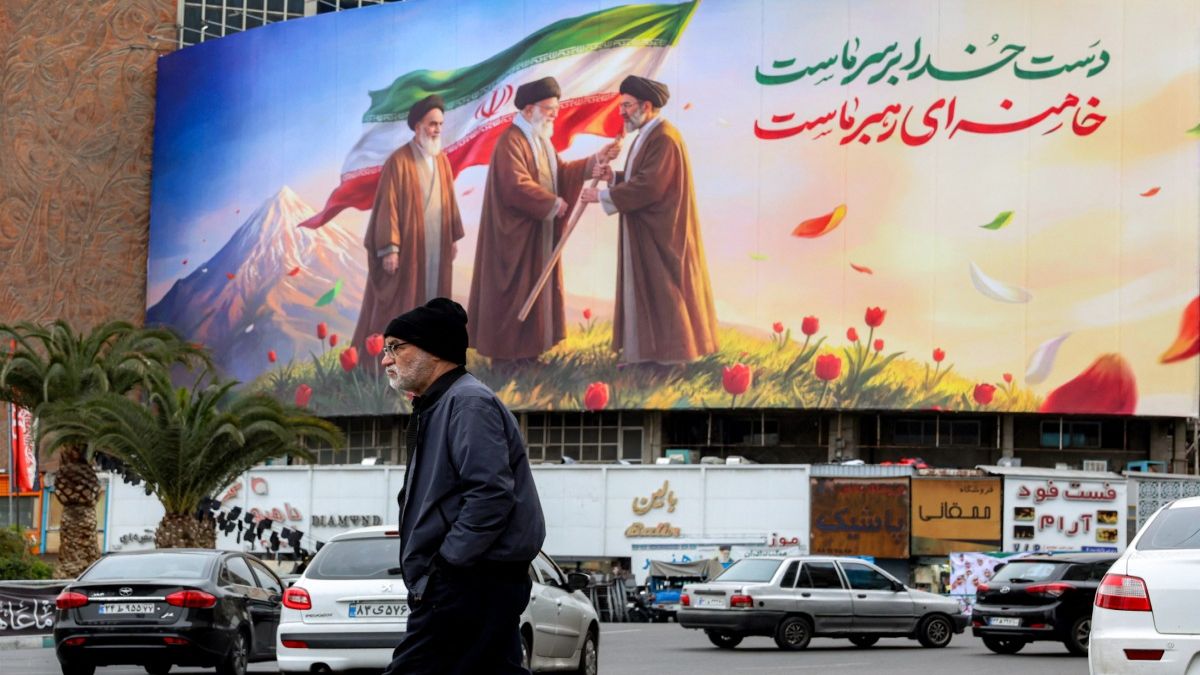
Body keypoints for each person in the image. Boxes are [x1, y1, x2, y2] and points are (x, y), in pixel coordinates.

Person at [381, 298, 546, 675]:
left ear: (433, 349)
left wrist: (447, 565)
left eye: (395, 347)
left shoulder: (468, 404)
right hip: (472, 582)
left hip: (469, 583)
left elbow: (490, 494)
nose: (386, 360)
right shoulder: (441, 404)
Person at [468, 76, 618, 363]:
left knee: (534, 294)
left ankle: (529, 357)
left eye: (555, 108)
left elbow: (560, 173)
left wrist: (594, 161)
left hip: (536, 235)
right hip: (513, 239)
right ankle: (507, 361)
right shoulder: (511, 142)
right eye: (549, 108)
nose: (554, 114)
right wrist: (550, 202)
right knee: (513, 294)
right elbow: (515, 186)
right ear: (528, 110)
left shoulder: (539, 141)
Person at [580, 75, 719, 364]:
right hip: (647, 229)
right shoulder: (649, 134)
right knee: (649, 293)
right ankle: (646, 357)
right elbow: (640, 177)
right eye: (622, 106)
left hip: (662, 234)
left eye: (627, 106)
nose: (622, 112)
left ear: (646, 105)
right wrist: (613, 177)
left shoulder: (664, 137)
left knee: (663, 294)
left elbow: (651, 186)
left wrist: (603, 197)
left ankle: (668, 363)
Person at [351, 94, 464, 354]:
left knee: (435, 301)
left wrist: (453, 237)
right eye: (432, 124)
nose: (437, 130)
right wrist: (390, 247)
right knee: (403, 304)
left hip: (437, 247)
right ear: (417, 126)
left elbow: (449, 201)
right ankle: (397, 361)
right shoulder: (398, 161)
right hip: (409, 251)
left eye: (440, 124)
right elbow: (387, 207)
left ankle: (430, 357)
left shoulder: (442, 161)